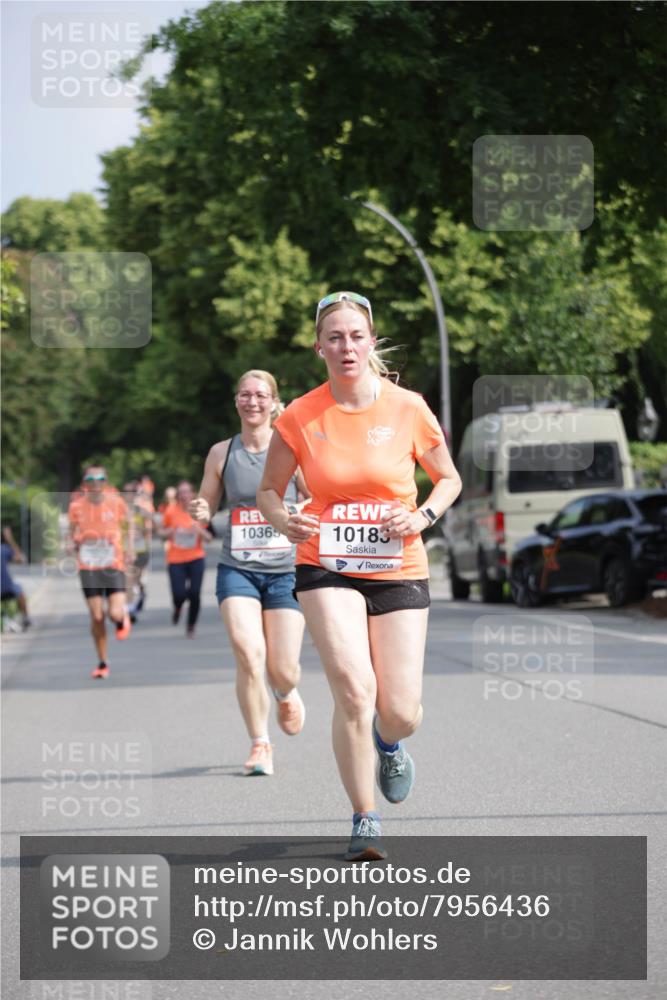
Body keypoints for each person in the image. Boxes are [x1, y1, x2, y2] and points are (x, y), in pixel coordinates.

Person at [257, 291, 462, 860]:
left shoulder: (408, 407)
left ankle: (389, 743)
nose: (346, 346)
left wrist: (420, 515)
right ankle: (364, 815)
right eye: (335, 337)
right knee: (354, 689)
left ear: (371, 341)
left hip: (398, 562)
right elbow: (269, 491)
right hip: (324, 561)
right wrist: (286, 522)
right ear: (318, 346)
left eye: (356, 336)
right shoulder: (299, 414)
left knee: (399, 709)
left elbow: (448, 479)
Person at [190, 370, 309, 776]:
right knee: (248, 653)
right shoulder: (222, 453)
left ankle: (286, 690)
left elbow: (315, 498)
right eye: (245, 394)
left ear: (276, 402)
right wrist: (202, 510)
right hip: (237, 567)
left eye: (261, 395)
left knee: (282, 667)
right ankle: (260, 743)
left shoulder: (293, 449)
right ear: (236, 401)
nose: (252, 401)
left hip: (285, 571)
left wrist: (298, 515)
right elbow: (207, 499)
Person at [68, 466, 133, 679]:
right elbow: (72, 531)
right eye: (91, 479)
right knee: (97, 616)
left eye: (100, 479)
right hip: (88, 565)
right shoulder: (77, 506)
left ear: (106, 482)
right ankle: (103, 661)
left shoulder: (116, 502)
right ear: (84, 483)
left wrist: (130, 547)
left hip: (113, 563)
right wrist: (71, 543)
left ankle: (122, 618)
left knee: (113, 613)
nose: (96, 483)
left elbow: (129, 523)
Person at [159, 480, 211, 638]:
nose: (184, 495)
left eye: (187, 492)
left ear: (193, 494)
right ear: (177, 496)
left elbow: (209, 538)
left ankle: (191, 625)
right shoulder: (170, 511)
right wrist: (168, 532)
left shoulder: (199, 512)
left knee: (195, 593)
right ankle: (178, 608)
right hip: (175, 559)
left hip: (196, 557)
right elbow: (161, 534)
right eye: (181, 492)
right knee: (179, 594)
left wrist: (199, 531)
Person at [123, 481, 153, 622]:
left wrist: (140, 531)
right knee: (128, 580)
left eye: (132, 492)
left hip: (141, 550)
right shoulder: (120, 511)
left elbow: (150, 529)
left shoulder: (141, 511)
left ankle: (141, 592)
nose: (129, 495)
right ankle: (130, 611)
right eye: (127, 492)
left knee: (137, 580)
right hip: (125, 551)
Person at [1, 525, 31, 630]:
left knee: (18, 589)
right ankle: (25, 618)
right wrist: (11, 540)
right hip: (6, 586)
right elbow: (21, 559)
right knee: (20, 591)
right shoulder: (4, 549)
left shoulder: (3, 550)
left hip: (5, 585)